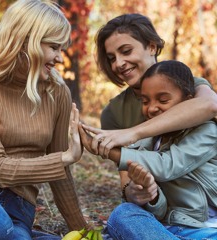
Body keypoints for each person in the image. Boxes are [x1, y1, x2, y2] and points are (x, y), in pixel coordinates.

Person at [0, 0, 87, 239]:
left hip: (19, 208)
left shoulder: (57, 92)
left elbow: (61, 173)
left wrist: (84, 232)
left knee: (13, 234)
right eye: (54, 47)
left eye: (62, 48)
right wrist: (66, 156)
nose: (60, 57)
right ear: (25, 40)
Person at [81, 13, 217, 204]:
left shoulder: (185, 83)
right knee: (124, 214)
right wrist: (135, 193)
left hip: (202, 206)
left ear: (152, 47)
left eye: (126, 51)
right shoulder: (113, 112)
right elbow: (126, 178)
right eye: (112, 58)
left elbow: (210, 105)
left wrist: (132, 133)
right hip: (161, 207)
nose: (118, 64)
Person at [79, 60, 217, 239]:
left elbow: (167, 166)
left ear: (188, 101)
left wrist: (107, 151)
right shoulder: (149, 141)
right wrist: (151, 194)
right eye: (145, 101)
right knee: (123, 214)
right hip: (165, 231)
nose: (151, 108)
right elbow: (160, 212)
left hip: (205, 232)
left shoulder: (207, 131)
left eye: (163, 100)